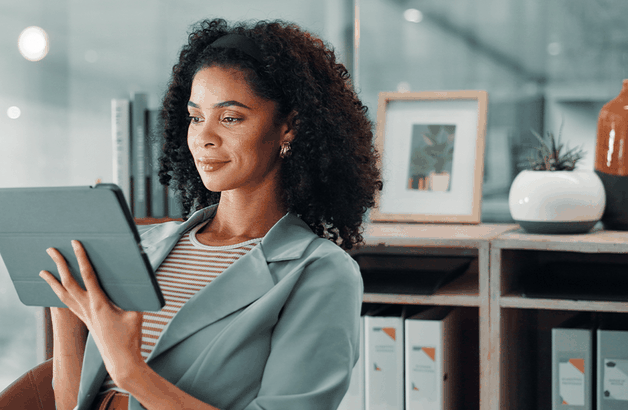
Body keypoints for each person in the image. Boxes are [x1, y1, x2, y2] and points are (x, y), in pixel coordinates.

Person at [39, 18, 382, 410]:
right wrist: (66, 309)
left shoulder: (320, 273)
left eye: (230, 117)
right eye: (196, 117)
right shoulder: (142, 246)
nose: (204, 136)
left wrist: (131, 372)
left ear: (289, 127)